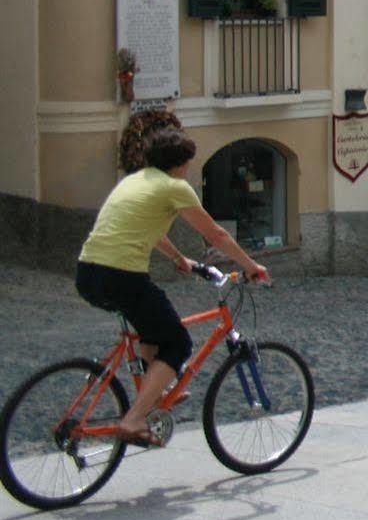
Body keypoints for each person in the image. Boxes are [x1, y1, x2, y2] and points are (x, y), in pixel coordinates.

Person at [73, 128, 270, 447]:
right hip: (121, 275)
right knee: (177, 342)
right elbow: (216, 234)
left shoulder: (133, 181)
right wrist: (251, 266)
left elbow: (148, 230)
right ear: (180, 164)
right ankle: (135, 419)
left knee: (153, 328)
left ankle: (153, 394)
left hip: (87, 272)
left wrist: (179, 258)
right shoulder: (175, 187)